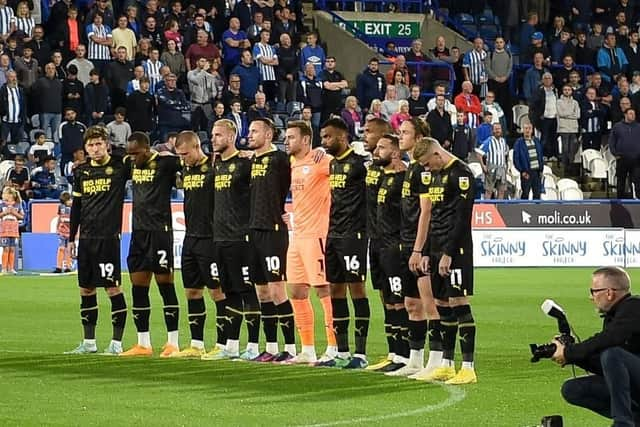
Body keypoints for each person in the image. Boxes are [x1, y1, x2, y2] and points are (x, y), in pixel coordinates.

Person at [413, 136, 477, 385]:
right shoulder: (436, 176)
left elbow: (462, 218)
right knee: (442, 305)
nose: (426, 169)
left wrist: (449, 253)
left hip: (457, 249)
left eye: (428, 163)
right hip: (437, 247)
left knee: (459, 303)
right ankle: (447, 364)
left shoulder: (461, 174)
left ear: (438, 154)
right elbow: (433, 216)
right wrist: (428, 251)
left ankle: (468, 367)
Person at [64, 126, 129, 355]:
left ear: (107, 144)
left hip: (108, 239)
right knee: (86, 290)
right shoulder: (81, 172)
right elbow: (77, 208)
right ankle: (89, 342)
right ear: (85, 148)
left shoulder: (120, 166)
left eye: (98, 143)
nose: (95, 148)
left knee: (113, 289)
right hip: (87, 239)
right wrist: (71, 238)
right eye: (90, 145)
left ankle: (116, 343)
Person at [120, 132, 182, 357]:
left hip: (160, 232)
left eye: (136, 154)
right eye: (130, 154)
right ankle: (143, 344)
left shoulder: (165, 163)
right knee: (138, 287)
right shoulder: (131, 163)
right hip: (138, 233)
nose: (132, 159)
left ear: (147, 149)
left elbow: (187, 162)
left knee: (166, 285)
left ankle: (172, 342)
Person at [555, 266, 640, 427]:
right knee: (572, 389)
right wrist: (570, 356)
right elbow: (609, 367)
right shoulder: (615, 316)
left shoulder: (635, 306)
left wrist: (570, 352)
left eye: (593, 291)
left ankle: (623, 423)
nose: (590, 297)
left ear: (609, 293)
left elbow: (608, 340)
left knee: (612, 354)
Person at [206, 119, 261, 360]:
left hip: (242, 238)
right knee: (229, 293)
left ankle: (254, 346)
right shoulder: (216, 165)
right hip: (220, 238)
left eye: (218, 135)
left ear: (231, 137)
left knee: (248, 292)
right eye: (212, 135)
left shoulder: (245, 163)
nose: (213, 139)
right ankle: (231, 344)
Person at [317, 118, 370, 369]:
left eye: (327, 137)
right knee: (335, 291)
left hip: (354, 236)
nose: (323, 141)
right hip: (334, 234)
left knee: (356, 290)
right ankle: (342, 351)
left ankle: (360, 354)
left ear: (341, 137)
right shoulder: (334, 165)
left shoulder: (359, 165)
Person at [282, 120, 336, 364]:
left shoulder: (320, 160)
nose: (286, 141)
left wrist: (325, 151)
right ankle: (308, 349)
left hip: (317, 234)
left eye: (291, 137)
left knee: (324, 289)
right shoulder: (294, 163)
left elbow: (342, 168)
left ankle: (335, 347)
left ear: (305, 140)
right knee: (295, 289)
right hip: (297, 235)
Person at [169, 131, 224, 358]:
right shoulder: (186, 168)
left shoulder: (214, 165)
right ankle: (197, 344)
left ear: (196, 146)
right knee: (192, 292)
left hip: (211, 238)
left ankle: (223, 345)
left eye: (185, 154)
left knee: (218, 292)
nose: (183, 159)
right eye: (179, 155)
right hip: (191, 237)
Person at [247, 117, 296, 362]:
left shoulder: (280, 160)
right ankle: (272, 346)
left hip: (273, 230)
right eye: (249, 131)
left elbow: (298, 178)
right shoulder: (252, 160)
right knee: (262, 293)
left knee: (277, 290)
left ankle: (291, 348)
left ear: (268, 135)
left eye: (254, 131)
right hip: (253, 230)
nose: (250, 134)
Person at [397, 120, 443, 380]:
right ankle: (415, 360)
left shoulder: (424, 172)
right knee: (411, 304)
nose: (400, 136)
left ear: (420, 138)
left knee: (429, 303)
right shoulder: (411, 168)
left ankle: (435, 361)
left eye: (405, 133)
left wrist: (418, 249)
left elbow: (426, 211)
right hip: (407, 243)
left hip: (420, 245)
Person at [371, 133, 411, 376]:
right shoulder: (383, 177)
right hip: (379, 245)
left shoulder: (404, 178)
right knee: (386, 299)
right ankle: (393, 353)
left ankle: (405, 355)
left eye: (382, 148)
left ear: (395, 153)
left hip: (395, 246)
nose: (376, 152)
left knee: (399, 301)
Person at [609, 108, 640, 199]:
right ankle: (620, 200)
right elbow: (612, 141)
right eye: (630, 114)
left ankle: (636, 199)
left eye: (634, 114)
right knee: (621, 180)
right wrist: (615, 153)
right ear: (625, 115)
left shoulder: (638, 127)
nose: (633, 116)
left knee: (636, 180)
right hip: (622, 158)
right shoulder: (617, 126)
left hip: (636, 159)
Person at [477, 123, 509, 199]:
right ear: (492, 130)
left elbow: (505, 154)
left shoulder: (503, 141)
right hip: (491, 168)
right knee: (489, 190)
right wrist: (483, 166)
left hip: (502, 168)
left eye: (499, 129)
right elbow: (478, 153)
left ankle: (498, 209)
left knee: (501, 190)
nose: (498, 131)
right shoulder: (489, 141)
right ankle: (487, 209)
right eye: (496, 129)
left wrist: (506, 165)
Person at [514, 122, 544, 200]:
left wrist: (541, 169)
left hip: (537, 172)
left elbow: (540, 155)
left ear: (532, 130)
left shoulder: (536, 141)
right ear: (523, 130)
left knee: (537, 193)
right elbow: (516, 159)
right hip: (526, 173)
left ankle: (536, 210)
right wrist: (522, 171)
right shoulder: (519, 143)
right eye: (526, 128)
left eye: (529, 128)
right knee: (525, 193)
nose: (527, 130)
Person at [0, 186, 23, 275]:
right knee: (6, 249)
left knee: (12, 249)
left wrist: (14, 213)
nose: (8, 200)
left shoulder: (18, 205)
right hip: (4, 230)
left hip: (14, 230)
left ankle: (11, 268)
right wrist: (4, 213)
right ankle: (4, 269)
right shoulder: (2, 205)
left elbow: (22, 216)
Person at [53, 191, 73, 273]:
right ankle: (58, 267)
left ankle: (68, 267)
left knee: (69, 249)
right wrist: (57, 228)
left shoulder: (74, 207)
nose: (67, 202)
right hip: (62, 231)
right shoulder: (60, 207)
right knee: (61, 248)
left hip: (71, 231)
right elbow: (59, 217)